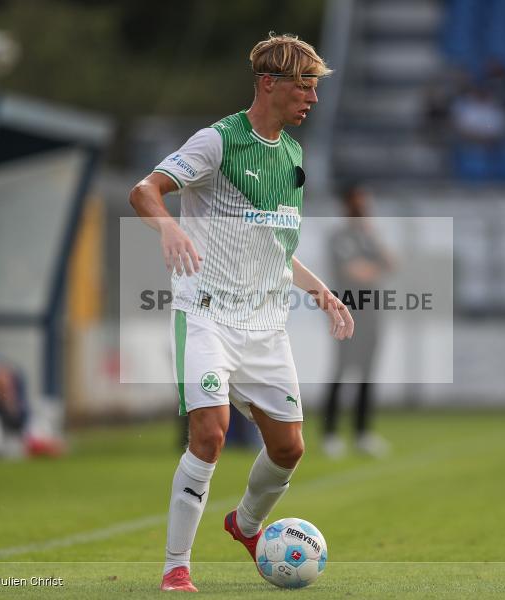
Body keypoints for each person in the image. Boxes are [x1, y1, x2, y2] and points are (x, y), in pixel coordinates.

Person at [128, 32, 354, 593]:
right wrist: (170, 225)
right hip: (205, 314)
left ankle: (246, 524)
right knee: (210, 433)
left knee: (289, 447)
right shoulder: (217, 142)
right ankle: (176, 566)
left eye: (314, 88)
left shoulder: (295, 156)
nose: (313, 98)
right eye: (304, 87)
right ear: (267, 84)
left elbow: (276, 244)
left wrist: (320, 291)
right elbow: (143, 191)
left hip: (264, 326)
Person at [323, 184, 394, 458]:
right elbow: (356, 273)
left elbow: (391, 263)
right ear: (348, 205)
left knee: (368, 371)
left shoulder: (368, 237)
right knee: (342, 370)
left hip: (372, 313)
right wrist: (373, 267)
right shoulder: (339, 237)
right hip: (348, 312)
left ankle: (362, 433)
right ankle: (330, 434)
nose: (364, 209)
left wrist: (373, 241)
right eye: (359, 204)